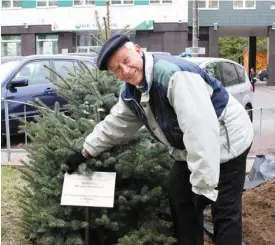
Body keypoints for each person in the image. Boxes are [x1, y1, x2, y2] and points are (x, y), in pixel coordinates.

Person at [64, 34, 254, 245]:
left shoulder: (175, 76)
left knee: (224, 209)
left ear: (137, 50)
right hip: (192, 147)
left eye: (126, 61)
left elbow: (200, 131)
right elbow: (116, 123)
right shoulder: (132, 91)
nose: (125, 71)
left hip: (228, 140)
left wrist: (203, 186)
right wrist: (85, 152)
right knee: (179, 192)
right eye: (117, 69)